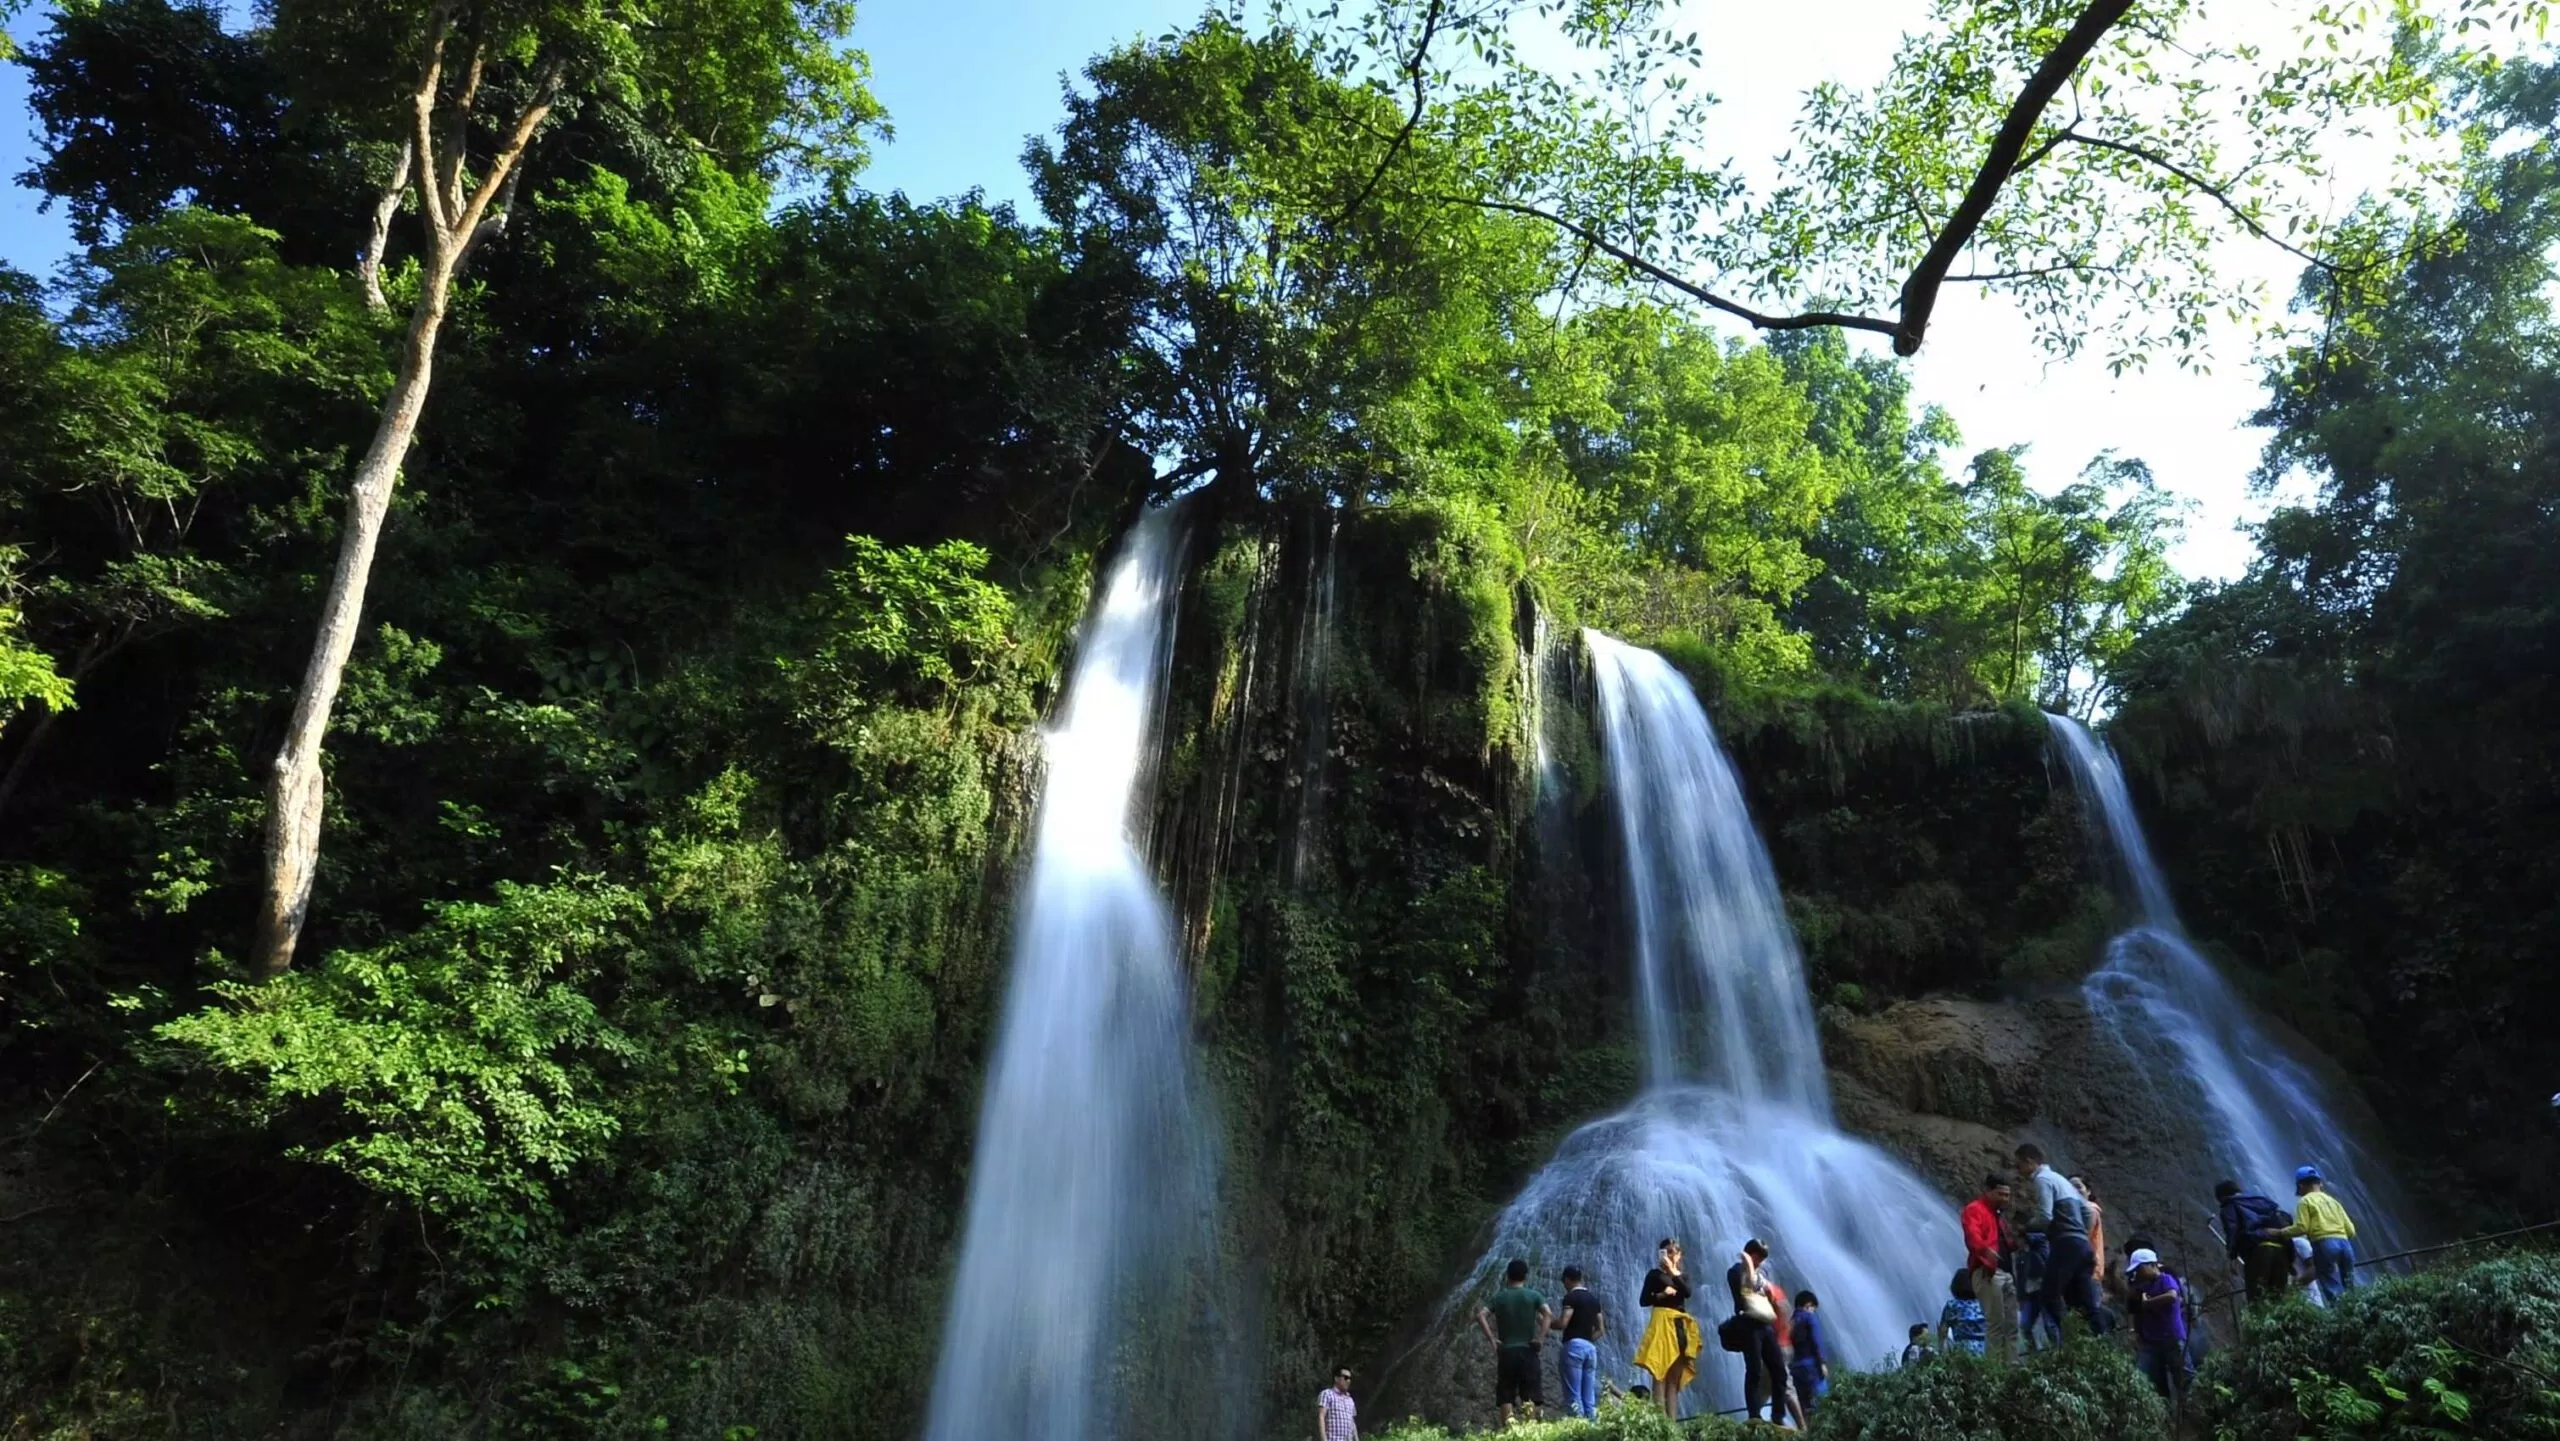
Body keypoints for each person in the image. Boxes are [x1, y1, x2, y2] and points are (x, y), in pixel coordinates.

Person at [2014, 1143, 2103, 1333]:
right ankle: (2098, 1337)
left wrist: (2027, 1227)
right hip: (2082, 1245)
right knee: (2082, 1300)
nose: (2019, 1171)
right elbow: (2087, 1210)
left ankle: (2072, 1337)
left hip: (2065, 1243)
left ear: (2029, 1161)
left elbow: (2046, 1216)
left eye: (2019, 1165)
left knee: (2049, 1295)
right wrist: (2081, 1232)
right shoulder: (2061, 1180)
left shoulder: (2042, 1179)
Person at [1476, 1258, 1550, 1425]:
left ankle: (1509, 1433)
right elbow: (1548, 1314)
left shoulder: (1499, 1297)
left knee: (1506, 1395)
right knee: (1531, 1394)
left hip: (1507, 1352)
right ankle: (1530, 1433)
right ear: (1525, 1277)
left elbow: (1481, 1315)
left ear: (1507, 1275)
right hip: (1528, 1351)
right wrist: (1540, 1338)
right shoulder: (1534, 1295)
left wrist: (1492, 1340)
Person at [2270, 1165, 2360, 1303]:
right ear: (2320, 1183)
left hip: (2324, 1244)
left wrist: (2280, 1233)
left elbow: (2301, 1227)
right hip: (2345, 1244)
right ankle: (2358, 1314)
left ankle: (2343, 1318)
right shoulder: (2334, 1202)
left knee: (2332, 1287)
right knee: (2350, 1286)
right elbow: (2351, 1231)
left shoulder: (2305, 1201)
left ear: (2300, 1186)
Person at [1635, 1238, 1700, 1418]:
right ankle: (1660, 1421)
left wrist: (1672, 1271)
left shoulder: (1682, 1276)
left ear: (1679, 1255)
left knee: (1673, 1380)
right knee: (1659, 1373)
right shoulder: (1654, 1275)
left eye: (1672, 1251)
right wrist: (1662, 1295)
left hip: (1679, 1325)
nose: (1669, 1255)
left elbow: (1687, 1292)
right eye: (1665, 1251)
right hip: (1661, 1324)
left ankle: (1671, 1424)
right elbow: (1643, 1301)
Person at [1727, 1239, 1787, 1424]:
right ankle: (1754, 1416)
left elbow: (1768, 1291)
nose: (1759, 1262)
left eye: (1761, 1258)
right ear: (1749, 1253)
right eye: (1757, 1257)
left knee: (1779, 1370)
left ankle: (1778, 1416)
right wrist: (1748, 1266)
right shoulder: (1735, 1271)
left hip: (1765, 1325)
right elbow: (1748, 1288)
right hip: (1748, 1325)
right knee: (1754, 1370)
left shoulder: (1760, 1274)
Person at [1961, 1173, 2018, 1361]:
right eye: (2001, 1194)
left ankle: (2011, 1366)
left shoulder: (1999, 1216)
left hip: (2007, 1272)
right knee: (1995, 1323)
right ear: (1989, 1191)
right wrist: (1984, 1250)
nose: (2005, 1199)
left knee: (2011, 1324)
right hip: (1988, 1271)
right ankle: (1994, 1370)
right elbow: (1972, 1234)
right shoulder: (1975, 1210)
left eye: (2007, 1195)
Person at [2126, 1249, 2192, 1410]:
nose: (2137, 1273)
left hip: (2172, 1337)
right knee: (2155, 1379)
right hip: (2152, 1341)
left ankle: (2191, 1411)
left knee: (2184, 1377)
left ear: (2151, 1265)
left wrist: (2148, 1303)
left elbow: (2172, 1296)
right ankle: (2165, 1412)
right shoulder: (2144, 1288)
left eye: (2139, 1269)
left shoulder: (2165, 1279)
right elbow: (2133, 1309)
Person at [2215, 1179, 2294, 1305]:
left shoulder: (2230, 1205)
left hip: (2259, 1252)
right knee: (2278, 1301)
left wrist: (2232, 1255)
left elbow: (2232, 1229)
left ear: (2222, 1197)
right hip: (2282, 1252)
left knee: (2256, 1300)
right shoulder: (2263, 1201)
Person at [1556, 1265, 1606, 1420]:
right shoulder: (1593, 1299)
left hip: (1574, 1347)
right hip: (1590, 1349)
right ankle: (1593, 1431)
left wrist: (1545, 1322)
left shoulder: (1571, 1297)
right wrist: (1588, 1338)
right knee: (1588, 1398)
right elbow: (1601, 1329)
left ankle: (1578, 1432)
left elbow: (1563, 1323)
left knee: (1573, 1396)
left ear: (1567, 1280)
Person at [1789, 1290, 1829, 1416]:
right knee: (1822, 1401)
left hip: (1795, 1367)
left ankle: (1807, 1430)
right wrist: (1822, 1363)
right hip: (1811, 1365)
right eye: (1813, 1308)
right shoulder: (1809, 1318)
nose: (1813, 1311)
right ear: (1808, 1305)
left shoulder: (1790, 1321)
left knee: (1803, 1403)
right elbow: (1816, 1341)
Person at [2073, 1175, 2111, 1298]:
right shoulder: (2076, 1210)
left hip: (2089, 1270)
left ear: (2088, 1191)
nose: (2074, 1190)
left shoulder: (2089, 1210)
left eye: (2078, 1187)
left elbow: (2081, 1237)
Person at [1939, 1268, 1988, 1354]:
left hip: (1962, 1351)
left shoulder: (1952, 1306)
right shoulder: (1984, 1304)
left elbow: (1943, 1333)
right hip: (1986, 1349)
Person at [1317, 1366, 1359, 1441]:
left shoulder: (1350, 1400)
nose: (1348, 1381)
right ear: (1336, 1378)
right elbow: (1321, 1416)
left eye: (1350, 1378)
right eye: (1346, 1377)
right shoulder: (1327, 1394)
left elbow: (1352, 1423)